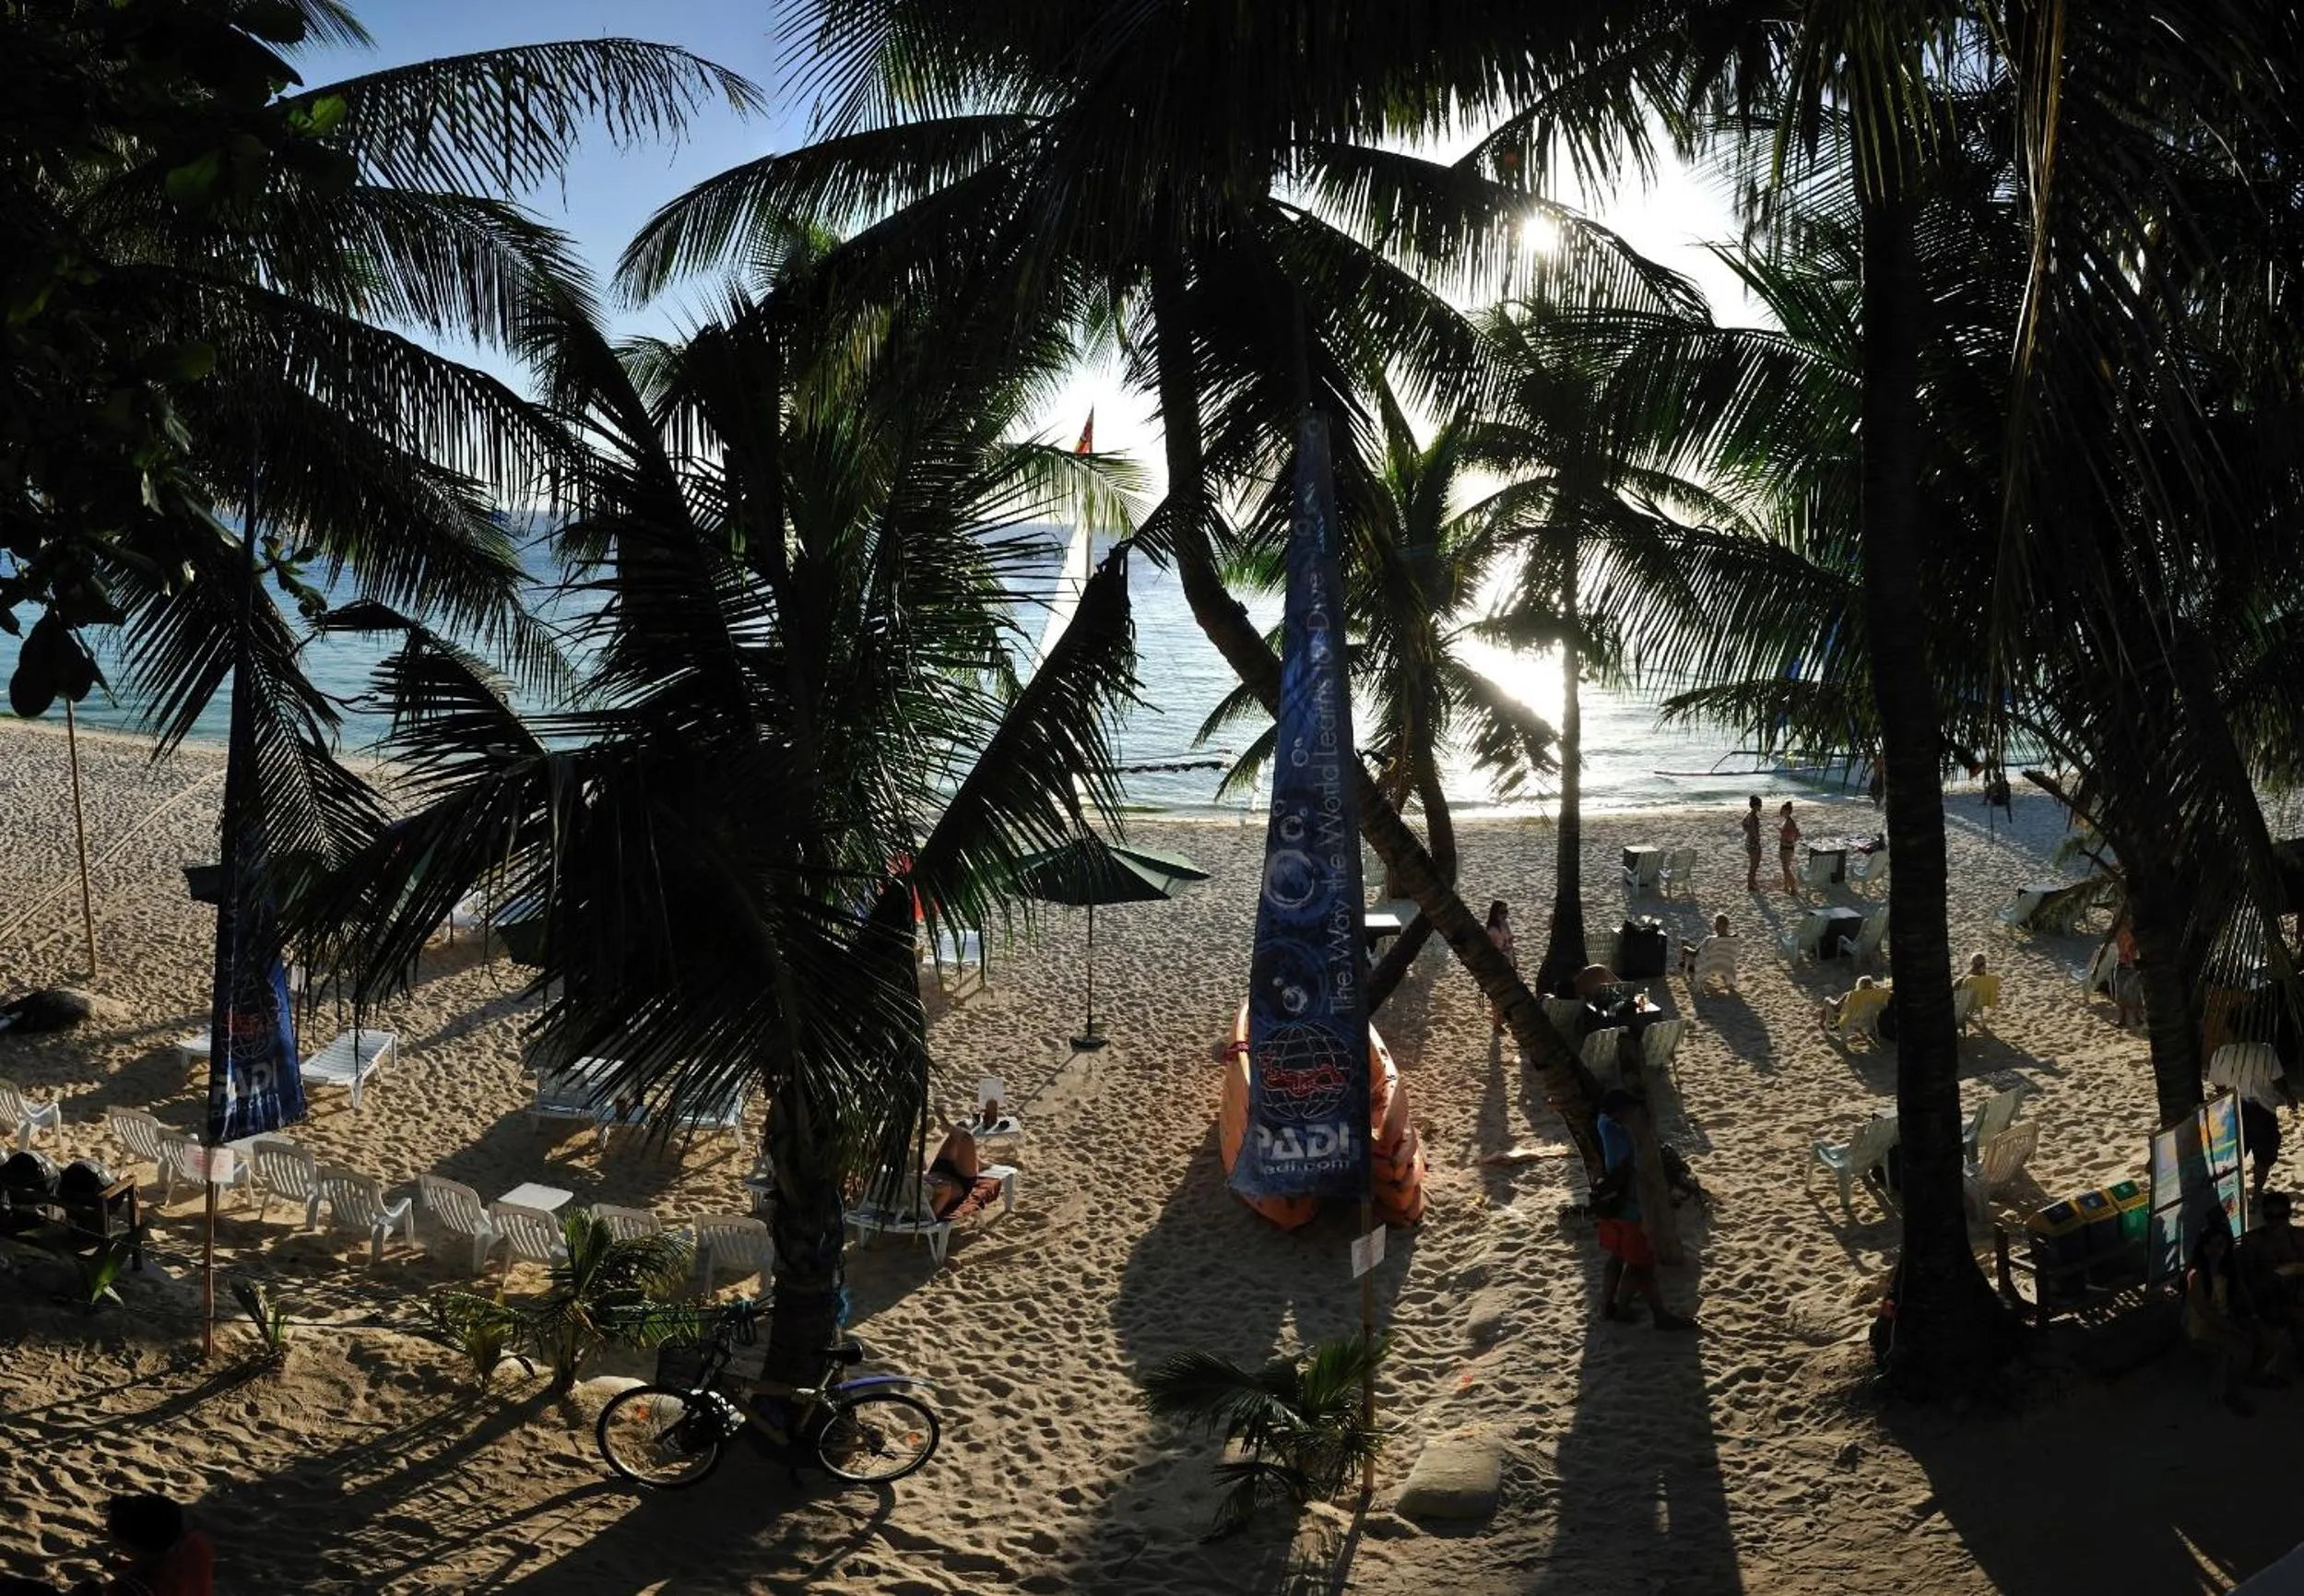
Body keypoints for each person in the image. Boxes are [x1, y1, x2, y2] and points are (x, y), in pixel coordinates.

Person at [1590, 1089, 1696, 1331]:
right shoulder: (1628, 1136)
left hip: (1611, 1203)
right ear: (1621, 1113)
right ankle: (1656, 1315)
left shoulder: (1603, 1124)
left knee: (1616, 1256)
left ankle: (1607, 1307)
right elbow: (1641, 1170)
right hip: (1630, 1207)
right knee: (1641, 1264)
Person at [2, 1494, 214, 1596]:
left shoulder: (129, 1589)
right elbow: (169, 1568)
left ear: (130, 1545)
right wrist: (129, 1566)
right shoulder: (195, 1544)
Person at [2185, 1221, 2287, 1416]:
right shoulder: (2196, 1275)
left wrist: (2254, 1317)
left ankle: (2255, 1375)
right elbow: (2204, 1312)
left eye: (2220, 1244)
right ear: (2202, 1247)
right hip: (2202, 1325)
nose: (2214, 1250)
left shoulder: (2229, 1268)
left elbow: (2242, 1293)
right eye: (2210, 1244)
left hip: (2227, 1318)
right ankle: (2231, 1393)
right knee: (2241, 1348)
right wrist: (2234, 1329)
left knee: (2269, 1338)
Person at [2205, 1044, 2298, 1198]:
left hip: (2233, 1109)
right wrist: (2289, 1096)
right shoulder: (2266, 1051)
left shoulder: (2221, 1052)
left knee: (2233, 1157)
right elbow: (2278, 1081)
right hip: (2261, 1111)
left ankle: (2232, 1194)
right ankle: (2257, 1194)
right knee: (2263, 1158)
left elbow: (2219, 1086)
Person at [2239, 1191, 2304, 1338]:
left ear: (2289, 1214)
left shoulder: (2300, 1237)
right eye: (2270, 1216)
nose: (2275, 1222)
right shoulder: (2253, 1241)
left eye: (2281, 1216)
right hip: (2268, 1298)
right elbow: (2247, 1278)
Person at [1820, 974, 1890, 1035]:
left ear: (1859, 984)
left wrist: (1829, 1000)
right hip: (1868, 1018)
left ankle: (1821, 1023)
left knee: (1827, 1001)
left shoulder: (1852, 994)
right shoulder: (1876, 995)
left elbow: (1837, 1007)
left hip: (1850, 1018)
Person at [1484, 900, 1515, 1033]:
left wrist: (1515, 960)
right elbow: (1489, 950)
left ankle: (1501, 1020)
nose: (1505, 915)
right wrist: (1504, 949)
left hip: (1509, 960)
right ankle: (1496, 1023)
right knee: (1498, 994)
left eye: (1506, 912)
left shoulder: (1506, 925)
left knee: (1508, 992)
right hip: (1498, 964)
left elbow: (1511, 944)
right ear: (1495, 913)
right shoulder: (1492, 930)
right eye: (1502, 912)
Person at [2112, 919, 2144, 1030]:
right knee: (2120, 992)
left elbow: (2134, 950)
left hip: (2132, 964)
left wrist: (2131, 959)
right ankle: (2123, 1018)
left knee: (2133, 993)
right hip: (2123, 963)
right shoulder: (2120, 932)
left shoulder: (2135, 933)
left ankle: (2136, 1017)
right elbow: (2121, 949)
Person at [1680, 913, 1733, 978]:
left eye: (1716, 925)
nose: (1715, 927)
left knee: (1685, 946)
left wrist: (1686, 949)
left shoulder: (1710, 939)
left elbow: (1695, 953)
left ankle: (1688, 965)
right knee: (1693, 945)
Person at [1952, 952, 2002, 1017]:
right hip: (1981, 998)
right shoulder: (1988, 978)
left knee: (1957, 983)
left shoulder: (1970, 979)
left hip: (1970, 998)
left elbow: (1963, 984)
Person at [1741, 795, 1764, 892]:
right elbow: (1754, 830)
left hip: (1749, 841)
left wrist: (1748, 830)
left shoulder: (1748, 814)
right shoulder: (1753, 816)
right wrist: (1757, 837)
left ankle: (1752, 882)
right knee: (1754, 864)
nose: (1761, 806)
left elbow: (1743, 823)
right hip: (1753, 842)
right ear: (1755, 806)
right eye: (1760, 805)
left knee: (1754, 864)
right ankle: (1751, 884)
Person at [1777, 800, 1800, 893]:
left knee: (1786, 868)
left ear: (1787, 811)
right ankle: (1786, 886)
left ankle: (1793, 887)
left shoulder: (1790, 822)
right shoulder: (1786, 821)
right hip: (1784, 846)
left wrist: (1789, 840)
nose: (1781, 811)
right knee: (1785, 867)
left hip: (1787, 847)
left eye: (1783, 810)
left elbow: (1797, 834)